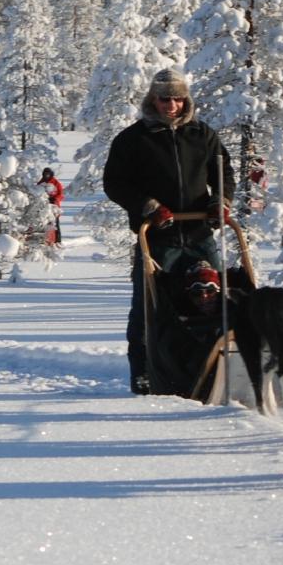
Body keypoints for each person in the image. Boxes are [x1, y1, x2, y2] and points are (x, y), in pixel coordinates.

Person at [101, 68, 234, 394]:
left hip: (200, 232)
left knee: (224, 301)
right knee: (149, 308)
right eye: (164, 99)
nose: (171, 105)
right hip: (157, 238)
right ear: (153, 99)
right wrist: (147, 206)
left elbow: (224, 172)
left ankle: (224, 369)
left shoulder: (202, 135)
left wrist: (221, 201)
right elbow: (114, 183)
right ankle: (145, 374)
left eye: (177, 99)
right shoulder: (134, 139)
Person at [36, 166, 65, 245]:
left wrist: (55, 199)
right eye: (45, 174)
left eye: (48, 174)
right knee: (44, 224)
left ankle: (58, 241)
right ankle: (46, 240)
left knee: (55, 224)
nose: (47, 175)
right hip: (43, 206)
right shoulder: (41, 183)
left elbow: (61, 194)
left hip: (54, 206)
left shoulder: (56, 183)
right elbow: (36, 192)